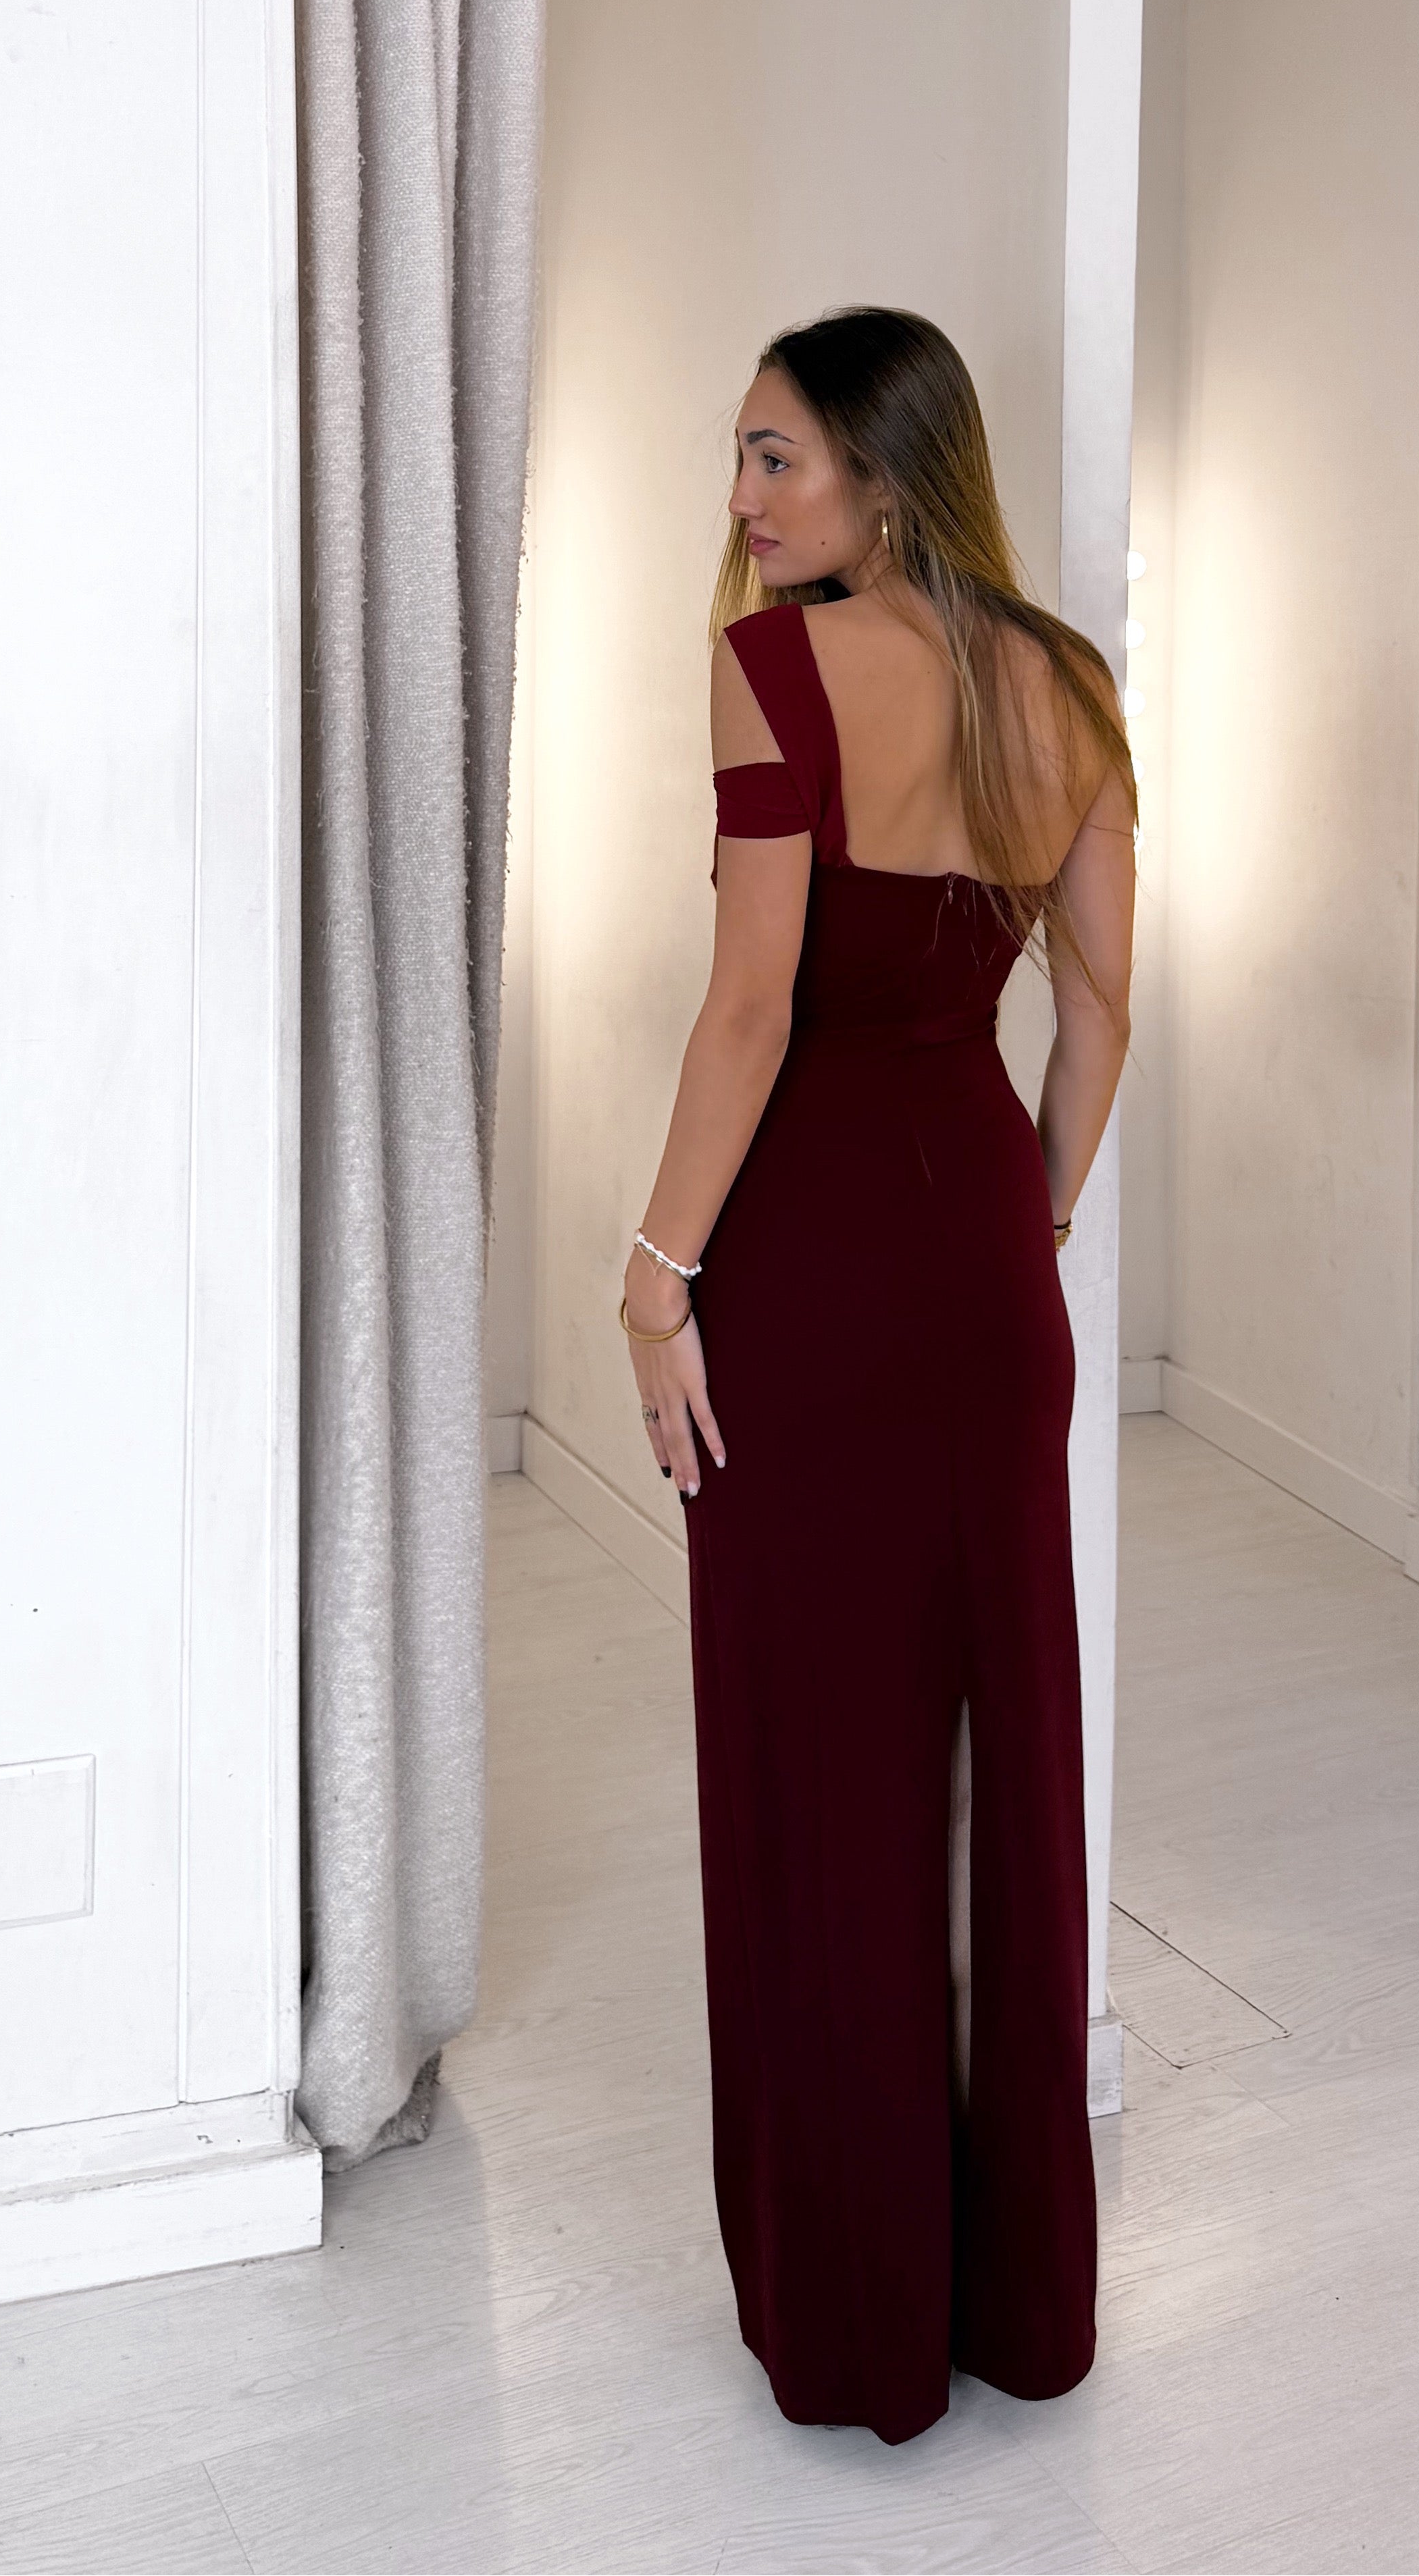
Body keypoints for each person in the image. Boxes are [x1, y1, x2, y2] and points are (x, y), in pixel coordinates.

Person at [619, 305, 1135, 2446]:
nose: (745, 498)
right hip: (987, 1269)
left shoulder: (780, 673)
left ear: (888, 474)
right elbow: (1097, 1019)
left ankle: (854, 2312)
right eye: (742, 456)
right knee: (998, 1761)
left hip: (807, 1272)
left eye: (780, 457)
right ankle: (1014, 2295)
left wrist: (656, 1277)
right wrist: (1031, 1225)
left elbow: (750, 1012)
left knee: (817, 1764)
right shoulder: (1072, 687)